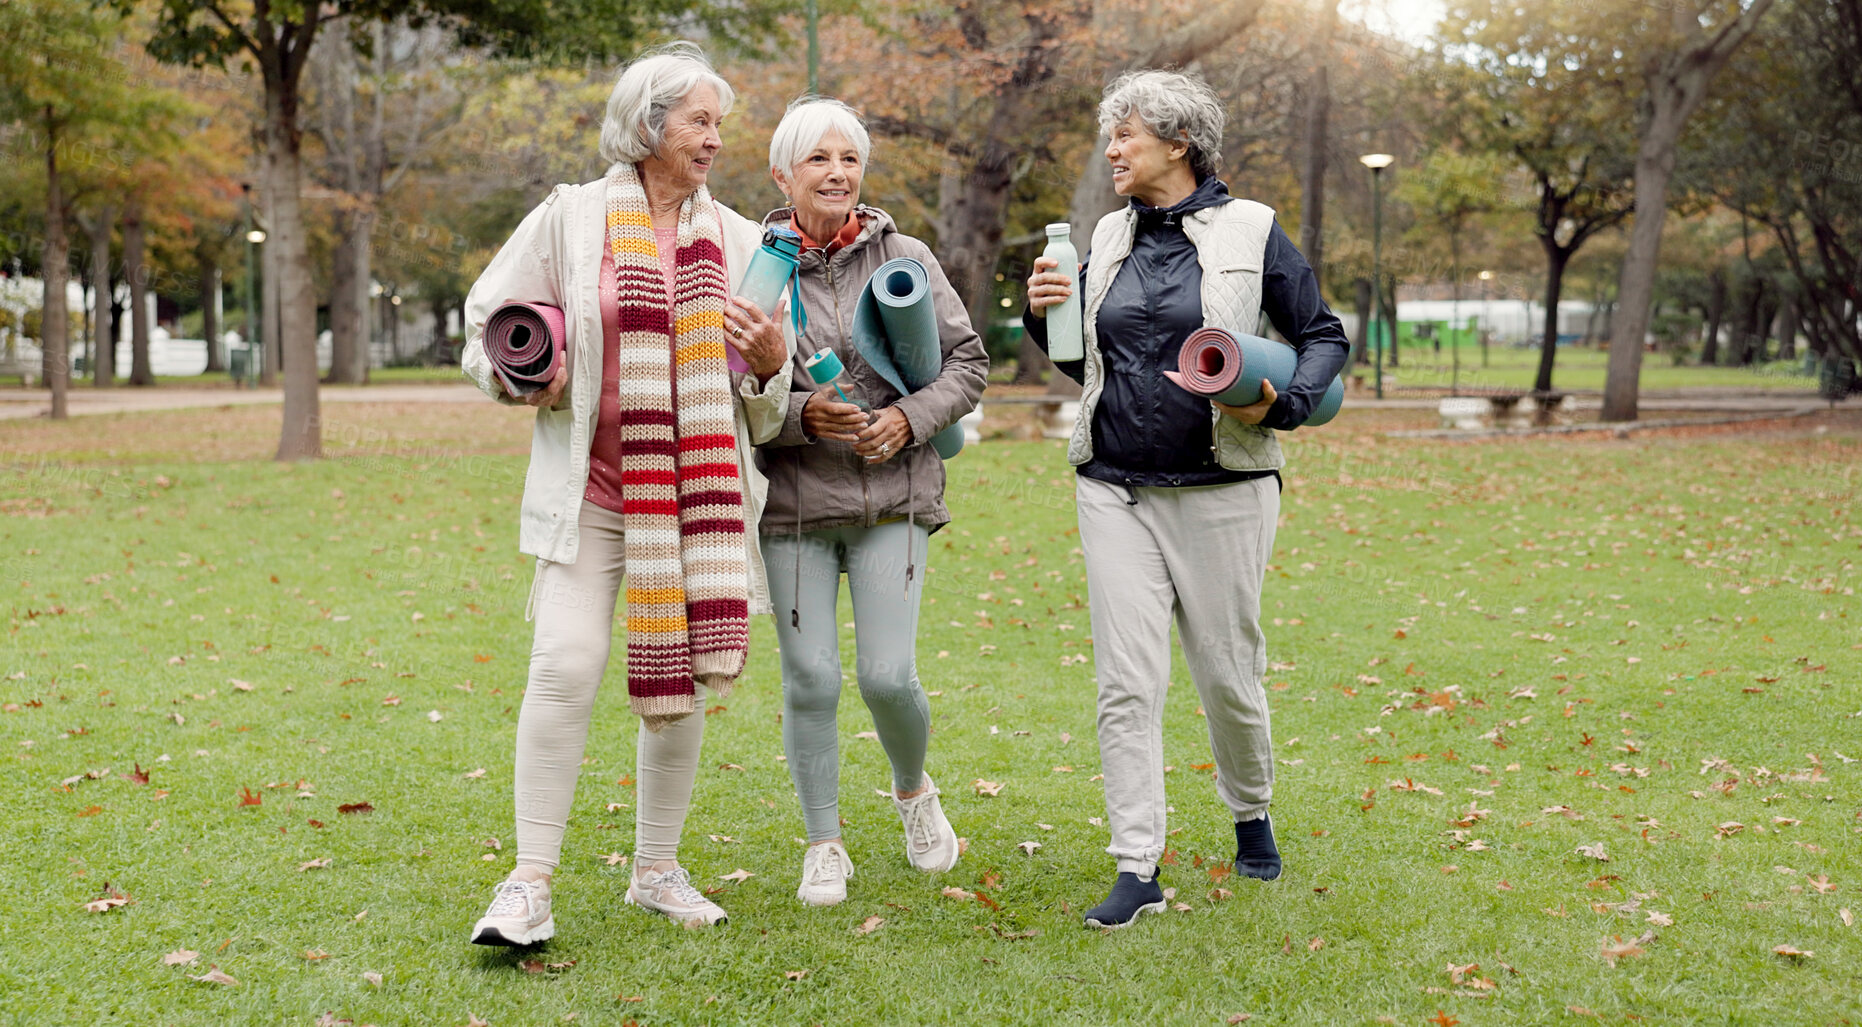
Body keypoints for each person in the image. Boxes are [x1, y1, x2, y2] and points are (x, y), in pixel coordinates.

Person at [458, 42, 794, 945]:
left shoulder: (735, 240)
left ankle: (656, 868)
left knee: (676, 678)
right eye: (699, 121)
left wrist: (767, 366)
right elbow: (483, 325)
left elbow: (768, 390)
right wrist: (525, 377)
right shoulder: (570, 220)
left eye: (718, 123)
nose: (715, 139)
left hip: (695, 505)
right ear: (648, 127)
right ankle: (529, 882)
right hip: (590, 495)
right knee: (564, 663)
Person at [1024, 69, 1349, 930]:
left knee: (1226, 673)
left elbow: (1321, 333)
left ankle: (1250, 809)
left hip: (1224, 487)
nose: (1112, 149)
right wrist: (1041, 316)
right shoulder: (1103, 233)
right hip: (1113, 485)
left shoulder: (1253, 229)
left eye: (1126, 134)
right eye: (1111, 134)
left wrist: (1288, 402)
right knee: (1125, 682)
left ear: (1178, 141)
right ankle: (1137, 864)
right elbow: (1088, 365)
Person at [754, 97, 988, 907]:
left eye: (848, 159)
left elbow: (967, 363)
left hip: (895, 494)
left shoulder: (906, 255)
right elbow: (717, 387)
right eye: (818, 159)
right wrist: (796, 416)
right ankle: (823, 841)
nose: (837, 173)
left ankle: (914, 792)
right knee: (809, 676)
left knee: (888, 676)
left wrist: (906, 418)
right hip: (791, 504)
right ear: (783, 173)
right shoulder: (751, 267)